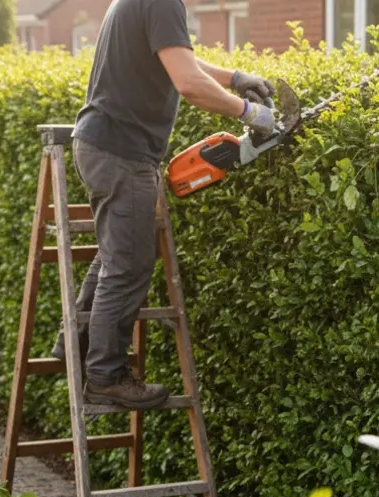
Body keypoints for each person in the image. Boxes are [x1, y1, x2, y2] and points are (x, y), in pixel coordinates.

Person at [51, 0, 275, 410]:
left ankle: (74, 343)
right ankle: (105, 375)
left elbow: (179, 59)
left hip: (105, 145)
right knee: (128, 264)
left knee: (115, 255)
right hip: (122, 152)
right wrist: (248, 112)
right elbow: (187, 82)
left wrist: (235, 77)